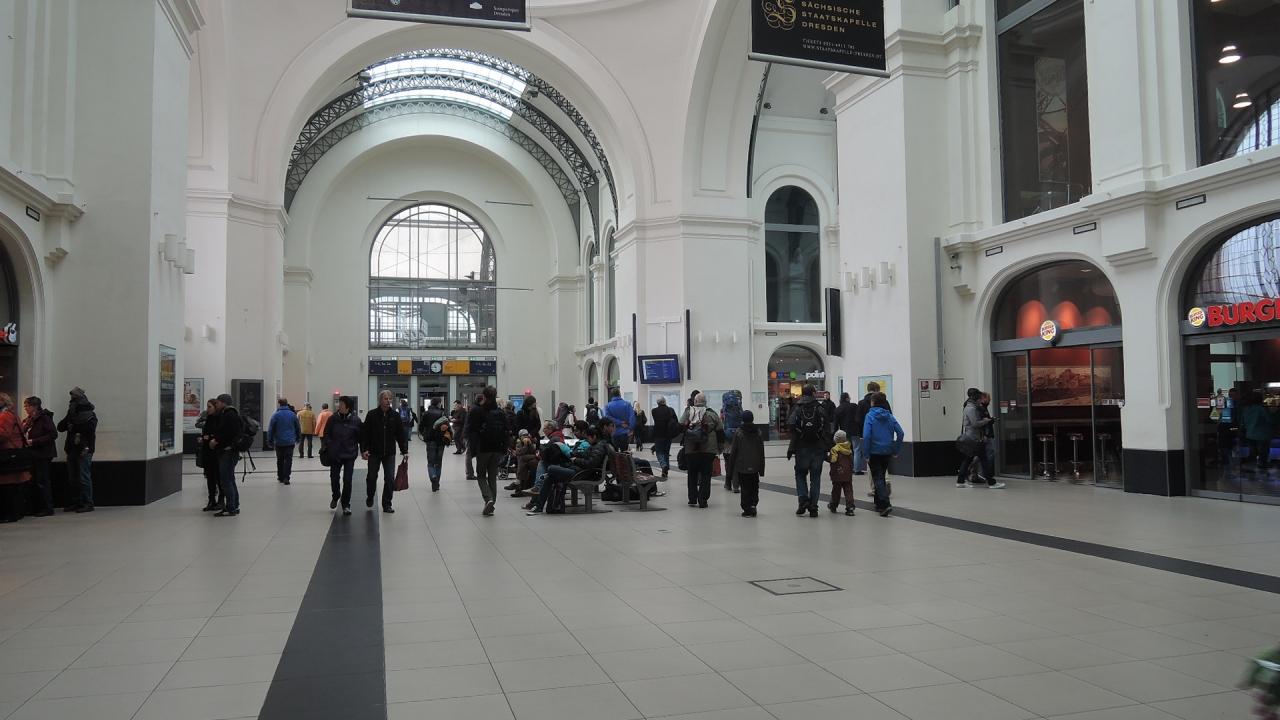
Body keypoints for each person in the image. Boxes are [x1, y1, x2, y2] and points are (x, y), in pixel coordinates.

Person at [527, 422, 614, 515]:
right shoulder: (595, 446)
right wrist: (572, 453)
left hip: (581, 473)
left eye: (588, 437)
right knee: (550, 477)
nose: (587, 440)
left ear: (594, 437)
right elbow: (583, 454)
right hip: (579, 471)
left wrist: (575, 460)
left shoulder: (599, 448)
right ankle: (539, 506)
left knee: (551, 468)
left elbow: (590, 464)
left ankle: (540, 503)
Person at [786, 384, 831, 518]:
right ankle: (813, 507)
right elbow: (827, 429)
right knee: (815, 478)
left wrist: (793, 444)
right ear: (813, 393)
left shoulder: (797, 407)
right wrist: (827, 447)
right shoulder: (820, 408)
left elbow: (791, 425)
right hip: (818, 448)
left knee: (800, 474)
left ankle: (803, 500)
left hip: (802, 447)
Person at [361, 390, 408, 513]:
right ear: (380, 400)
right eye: (386, 399)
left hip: (389, 453)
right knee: (372, 477)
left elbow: (400, 435)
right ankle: (370, 495)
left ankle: (387, 504)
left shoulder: (395, 416)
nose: (388, 401)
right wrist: (364, 449)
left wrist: (404, 450)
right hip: (374, 452)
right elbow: (365, 434)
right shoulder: (371, 415)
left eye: (390, 399)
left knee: (390, 478)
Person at [861, 392, 903, 517]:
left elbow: (866, 436)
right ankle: (878, 502)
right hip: (887, 451)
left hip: (874, 451)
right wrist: (896, 449)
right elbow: (900, 433)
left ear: (873, 402)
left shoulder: (870, 416)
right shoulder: (889, 416)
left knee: (878, 477)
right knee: (881, 476)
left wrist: (866, 454)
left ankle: (885, 504)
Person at [468, 386, 508, 516]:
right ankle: (491, 502)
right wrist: (504, 447)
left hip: (483, 447)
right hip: (497, 448)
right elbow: (506, 431)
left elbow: (472, 431)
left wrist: (472, 450)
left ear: (484, 396)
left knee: (481, 475)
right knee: (492, 476)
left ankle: (488, 499)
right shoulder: (500, 412)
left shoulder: (477, 411)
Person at [57, 387, 98, 514]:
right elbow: (61, 427)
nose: (72, 401)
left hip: (84, 449)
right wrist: (71, 424)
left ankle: (87, 503)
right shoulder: (72, 414)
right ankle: (77, 502)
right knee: (73, 478)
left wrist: (73, 426)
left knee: (83, 477)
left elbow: (88, 430)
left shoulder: (90, 416)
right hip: (72, 449)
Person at [680, 392, 722, 508]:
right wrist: (720, 447)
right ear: (705, 402)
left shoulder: (688, 412)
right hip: (708, 450)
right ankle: (703, 500)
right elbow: (720, 430)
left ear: (695, 401)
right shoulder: (712, 414)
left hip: (691, 449)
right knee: (706, 475)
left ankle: (692, 499)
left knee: (692, 474)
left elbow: (680, 425)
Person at [323, 396, 362, 514]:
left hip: (349, 454)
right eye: (339, 403)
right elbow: (326, 434)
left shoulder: (356, 420)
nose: (338, 406)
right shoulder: (332, 419)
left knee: (347, 480)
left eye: (341, 404)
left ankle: (346, 504)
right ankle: (336, 495)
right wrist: (329, 444)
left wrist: (364, 450)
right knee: (334, 478)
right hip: (335, 454)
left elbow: (361, 437)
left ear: (347, 407)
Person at [957, 388, 1002, 488]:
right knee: (982, 460)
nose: (980, 400)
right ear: (975, 398)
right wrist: (986, 421)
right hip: (974, 439)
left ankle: (961, 480)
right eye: (979, 398)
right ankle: (991, 482)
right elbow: (975, 423)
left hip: (973, 438)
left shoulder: (970, 407)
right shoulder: (972, 409)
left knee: (969, 460)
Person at [21, 396, 57, 518]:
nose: (25, 408)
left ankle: (47, 507)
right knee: (34, 481)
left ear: (34, 406)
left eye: (27, 406)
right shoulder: (29, 419)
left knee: (42, 481)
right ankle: (35, 507)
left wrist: (34, 441)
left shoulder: (44, 418)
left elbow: (53, 434)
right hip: (33, 454)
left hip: (43, 454)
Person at [726, 410, 764, 517]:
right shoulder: (758, 432)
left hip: (742, 465)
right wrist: (761, 468)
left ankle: (747, 508)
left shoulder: (739, 433)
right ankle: (753, 505)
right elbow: (761, 451)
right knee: (754, 486)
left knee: (745, 487)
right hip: (755, 465)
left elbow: (734, 451)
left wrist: (730, 469)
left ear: (742, 419)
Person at [208, 393, 242, 517]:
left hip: (228, 452)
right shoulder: (231, 413)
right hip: (230, 451)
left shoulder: (229, 415)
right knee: (230, 479)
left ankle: (230, 507)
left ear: (223, 402)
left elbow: (228, 433)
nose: (216, 405)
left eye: (217, 403)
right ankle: (234, 505)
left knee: (225, 480)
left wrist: (216, 441)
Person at [0, 394, 31, 523]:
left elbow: (3, 435)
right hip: (14, 455)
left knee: (7, 488)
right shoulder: (13, 415)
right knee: (13, 488)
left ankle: (9, 514)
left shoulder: (5, 416)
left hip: (7, 456)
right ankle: (16, 513)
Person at [853, 382, 888, 476]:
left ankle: (874, 482)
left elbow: (858, 420)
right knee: (882, 458)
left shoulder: (861, 403)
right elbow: (889, 416)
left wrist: (862, 432)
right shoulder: (884, 402)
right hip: (882, 434)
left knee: (870, 458)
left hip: (867, 434)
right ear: (876, 390)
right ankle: (885, 477)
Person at [197, 399, 224, 512]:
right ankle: (211, 500)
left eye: (209, 407)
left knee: (219, 477)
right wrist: (203, 438)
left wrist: (211, 437)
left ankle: (221, 501)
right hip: (207, 452)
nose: (207, 409)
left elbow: (220, 434)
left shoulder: (220, 419)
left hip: (217, 452)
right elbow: (205, 433)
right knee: (210, 477)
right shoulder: (208, 419)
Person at [267, 398, 301, 485]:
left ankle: (280, 476)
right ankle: (286, 477)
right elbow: (298, 427)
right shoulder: (292, 415)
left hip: (279, 442)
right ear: (287, 404)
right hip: (290, 441)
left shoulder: (275, 415)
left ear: (279, 404)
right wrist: (298, 437)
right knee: (288, 460)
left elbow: (271, 429)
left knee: (280, 459)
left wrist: (270, 440)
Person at [419, 397, 448, 492]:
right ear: (439, 403)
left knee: (430, 462)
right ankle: (436, 484)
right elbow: (447, 426)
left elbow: (421, 427)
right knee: (438, 463)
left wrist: (425, 435)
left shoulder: (426, 413)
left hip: (430, 440)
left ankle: (433, 476)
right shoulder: (442, 413)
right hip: (441, 441)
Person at [1242, 391, 1276, 471]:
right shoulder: (1262, 409)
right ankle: (1262, 467)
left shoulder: (1246, 409)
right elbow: (1270, 420)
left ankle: (1252, 469)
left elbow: (1243, 422)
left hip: (1250, 434)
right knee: (1263, 453)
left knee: (1253, 453)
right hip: (1262, 435)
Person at [828, 430, 855, 515]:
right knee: (848, 490)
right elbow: (851, 461)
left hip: (837, 473)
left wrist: (826, 458)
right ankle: (850, 507)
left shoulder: (834, 449)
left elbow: (833, 460)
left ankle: (833, 505)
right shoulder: (848, 448)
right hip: (847, 473)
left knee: (836, 491)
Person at [720, 390, 743, 491]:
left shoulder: (723, 411)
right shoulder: (740, 410)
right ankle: (736, 485)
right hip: (738, 438)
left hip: (727, 439)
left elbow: (721, 425)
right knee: (736, 462)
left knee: (728, 462)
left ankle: (728, 483)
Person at [650, 397, 678, 478]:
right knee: (666, 452)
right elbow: (676, 421)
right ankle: (665, 470)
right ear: (665, 402)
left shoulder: (654, 411)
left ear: (657, 403)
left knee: (659, 452)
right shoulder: (671, 410)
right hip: (668, 435)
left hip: (658, 435)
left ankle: (663, 465)